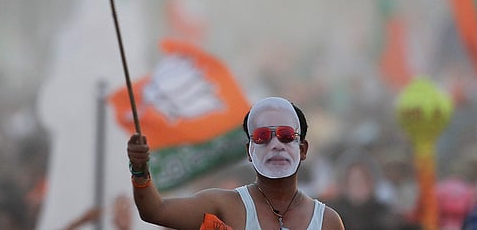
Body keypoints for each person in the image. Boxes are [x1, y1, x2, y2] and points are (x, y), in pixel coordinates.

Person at [126, 97, 344, 229]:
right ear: (249, 151)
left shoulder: (327, 221)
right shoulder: (225, 206)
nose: (276, 145)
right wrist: (139, 170)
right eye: (262, 137)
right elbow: (155, 211)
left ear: (303, 149)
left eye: (286, 135)